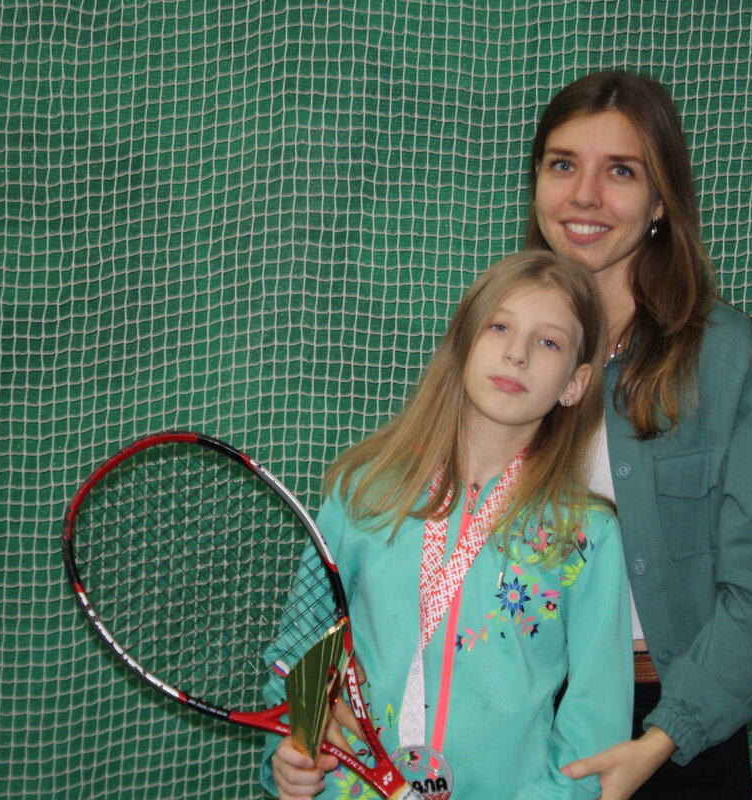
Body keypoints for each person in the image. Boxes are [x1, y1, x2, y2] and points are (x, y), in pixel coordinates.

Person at [260, 250, 634, 800]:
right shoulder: (366, 490)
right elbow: (301, 651)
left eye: (549, 342)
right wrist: (293, 753)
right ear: (461, 345)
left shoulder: (586, 538)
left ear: (575, 384)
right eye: (499, 326)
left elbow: (594, 730)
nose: (517, 353)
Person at [522, 70, 752, 799]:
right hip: (516, 713)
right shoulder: (496, 345)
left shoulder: (732, 358)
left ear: (659, 201)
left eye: (620, 171)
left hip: (675, 736)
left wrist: (661, 739)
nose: (584, 195)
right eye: (563, 164)